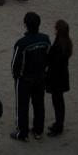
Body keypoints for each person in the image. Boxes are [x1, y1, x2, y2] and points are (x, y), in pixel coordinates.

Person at [10, 11, 50, 142]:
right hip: (40, 77)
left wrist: (16, 76)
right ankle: (38, 130)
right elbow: (48, 58)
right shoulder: (45, 39)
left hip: (24, 79)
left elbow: (15, 63)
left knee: (22, 106)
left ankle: (22, 132)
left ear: (25, 25)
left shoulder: (21, 43)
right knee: (39, 104)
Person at [45, 19, 72, 137]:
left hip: (56, 78)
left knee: (57, 102)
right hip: (62, 76)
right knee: (59, 102)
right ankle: (58, 123)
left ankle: (58, 126)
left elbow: (51, 61)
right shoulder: (66, 42)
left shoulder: (58, 46)